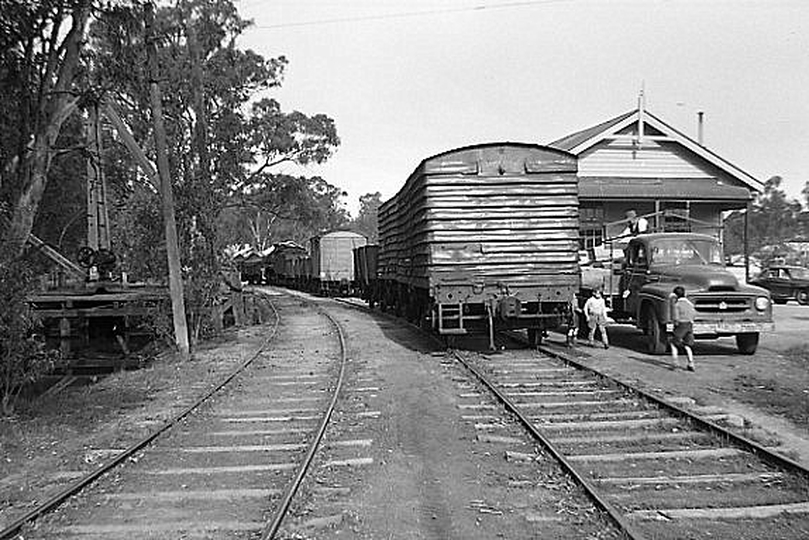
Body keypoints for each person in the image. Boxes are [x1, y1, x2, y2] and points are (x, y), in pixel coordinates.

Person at [670, 285, 696, 371]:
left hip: (681, 325)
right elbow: (694, 314)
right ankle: (691, 363)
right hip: (689, 324)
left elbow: (675, 318)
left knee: (673, 343)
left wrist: (675, 324)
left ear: (676, 295)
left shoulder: (677, 305)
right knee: (687, 345)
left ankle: (675, 363)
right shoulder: (690, 304)